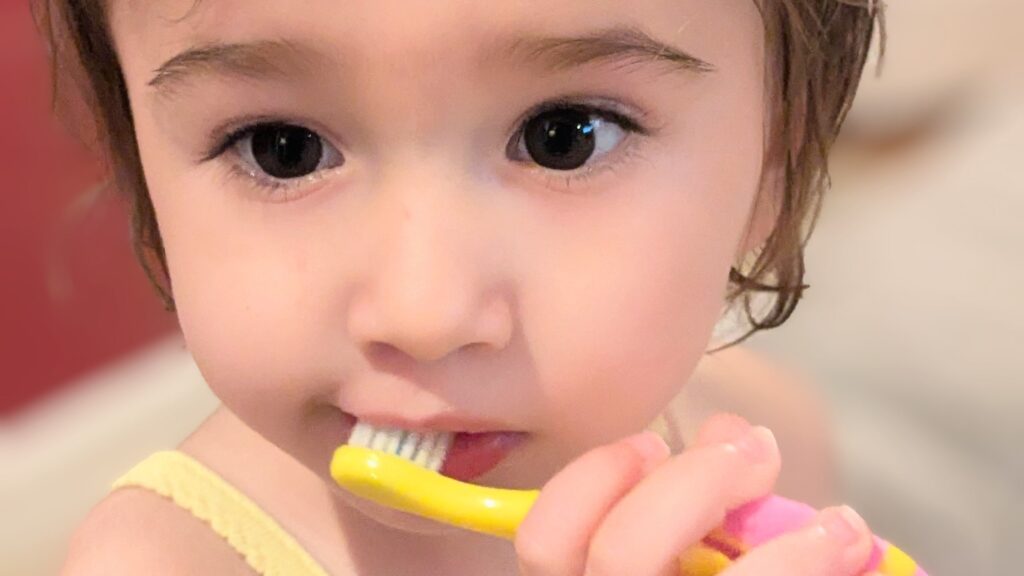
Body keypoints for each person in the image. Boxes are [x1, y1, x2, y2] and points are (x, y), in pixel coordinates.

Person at [38, 0, 885, 574]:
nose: (424, 312)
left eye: (565, 139)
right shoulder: (155, 562)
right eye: (280, 147)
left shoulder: (755, 457)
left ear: (772, 172)